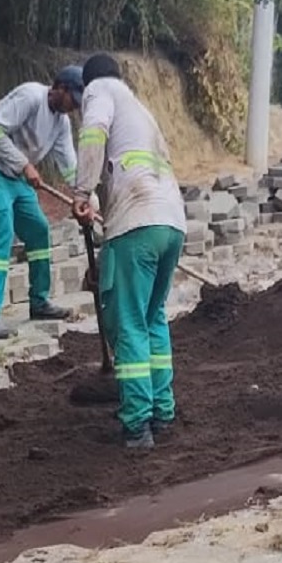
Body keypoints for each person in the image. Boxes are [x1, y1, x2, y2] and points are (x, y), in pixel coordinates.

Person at [71, 54, 188, 451]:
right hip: (171, 223)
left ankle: (137, 424)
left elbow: (92, 133)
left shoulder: (99, 90)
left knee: (131, 323)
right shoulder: (141, 110)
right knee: (154, 318)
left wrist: (81, 192)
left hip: (136, 223)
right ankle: (162, 410)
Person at [0, 66, 84, 339]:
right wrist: (24, 164)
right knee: (3, 227)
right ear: (60, 88)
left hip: (15, 173)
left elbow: (70, 167)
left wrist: (85, 196)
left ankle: (39, 302)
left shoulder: (61, 124)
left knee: (38, 230)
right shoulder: (31, 96)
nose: (74, 106)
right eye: (72, 99)